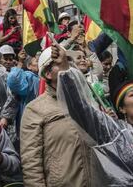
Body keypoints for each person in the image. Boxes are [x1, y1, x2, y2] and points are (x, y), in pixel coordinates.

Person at [54, 45, 133, 185]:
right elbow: (81, 111)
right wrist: (65, 70)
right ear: (121, 108)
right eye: (132, 95)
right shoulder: (116, 132)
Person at [20, 46, 97, 187]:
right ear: (48, 73)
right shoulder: (34, 110)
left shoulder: (87, 102)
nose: (69, 66)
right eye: (62, 63)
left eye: (69, 62)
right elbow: (32, 164)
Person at [7, 50, 39, 142]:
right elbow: (13, 81)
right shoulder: (29, 76)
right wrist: (20, 62)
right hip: (30, 124)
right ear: (29, 66)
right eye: (37, 61)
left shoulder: (47, 77)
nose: (41, 63)